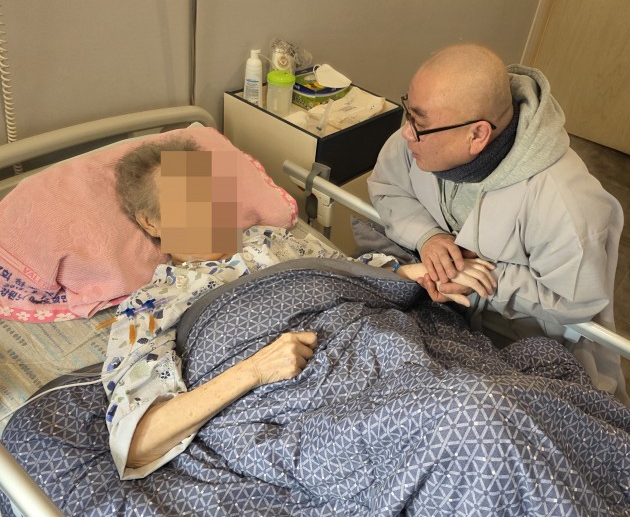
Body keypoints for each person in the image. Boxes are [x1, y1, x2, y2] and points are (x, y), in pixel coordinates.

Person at [103, 138, 496, 478]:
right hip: (305, 404)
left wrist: (424, 274)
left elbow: (352, 274)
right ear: (150, 221)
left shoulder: (274, 240)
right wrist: (254, 369)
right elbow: (135, 442)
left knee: (485, 403)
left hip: (379, 345)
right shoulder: (151, 304)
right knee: (468, 420)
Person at [368, 43, 628, 401]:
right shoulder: (417, 141)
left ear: (477, 134)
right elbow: (388, 187)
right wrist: (429, 237)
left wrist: (483, 278)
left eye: (420, 123)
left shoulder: (566, 203)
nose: (407, 133)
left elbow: (575, 299)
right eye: (409, 112)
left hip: (521, 343)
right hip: (450, 321)